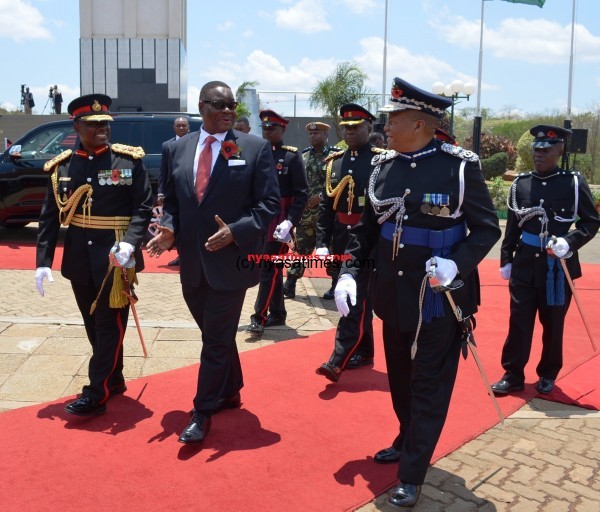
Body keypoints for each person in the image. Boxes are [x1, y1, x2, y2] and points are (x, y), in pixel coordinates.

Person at [335, 77, 501, 507]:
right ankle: (408, 437)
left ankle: (412, 470)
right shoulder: (383, 168)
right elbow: (367, 233)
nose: (386, 126)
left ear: (422, 124)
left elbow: (486, 229)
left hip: (440, 294)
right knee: (402, 379)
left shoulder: (460, 167)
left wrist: (457, 262)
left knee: (428, 381)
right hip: (393, 291)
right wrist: (350, 272)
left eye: (395, 119)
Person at [146, 81, 280, 444]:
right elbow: (172, 201)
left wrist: (237, 231)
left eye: (232, 106)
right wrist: (168, 229)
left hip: (231, 263)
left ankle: (202, 411)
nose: (228, 112)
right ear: (201, 106)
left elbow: (268, 204)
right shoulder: (176, 148)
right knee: (214, 335)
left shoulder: (254, 148)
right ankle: (231, 388)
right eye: (219, 105)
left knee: (215, 341)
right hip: (191, 263)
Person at [35, 94, 153, 416]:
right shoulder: (62, 167)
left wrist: (131, 242)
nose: (102, 129)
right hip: (78, 259)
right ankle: (113, 379)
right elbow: (49, 217)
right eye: (93, 124)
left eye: (105, 124)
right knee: (92, 324)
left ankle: (95, 393)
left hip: (116, 258)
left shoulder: (128, 162)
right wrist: (42, 263)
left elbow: (142, 207)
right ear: (77, 126)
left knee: (108, 325)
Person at [491, 125, 599, 396]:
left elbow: (591, 221)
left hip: (558, 268)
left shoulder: (573, 182)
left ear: (560, 150)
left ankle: (548, 373)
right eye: (536, 149)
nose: (540, 154)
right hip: (525, 264)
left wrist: (570, 242)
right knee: (519, 322)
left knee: (553, 324)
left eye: (547, 149)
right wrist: (506, 257)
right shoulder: (521, 183)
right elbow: (513, 225)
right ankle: (512, 373)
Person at [314, 104, 382, 381]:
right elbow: (326, 207)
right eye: (346, 127)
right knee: (358, 296)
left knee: (356, 295)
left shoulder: (381, 160)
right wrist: (322, 240)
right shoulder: (335, 161)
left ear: (369, 128)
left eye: (356, 127)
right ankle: (365, 351)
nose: (350, 132)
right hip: (343, 235)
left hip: (369, 239)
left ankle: (337, 359)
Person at [246, 110, 308, 337]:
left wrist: (291, 221)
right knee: (272, 270)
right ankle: (278, 313)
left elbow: (302, 193)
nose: (268, 131)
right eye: (265, 128)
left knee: (268, 269)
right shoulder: (258, 155)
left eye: (272, 128)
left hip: (280, 222)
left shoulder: (291, 156)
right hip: (261, 217)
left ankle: (258, 317)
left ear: (282, 130)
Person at [282, 121, 339, 299]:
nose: (312, 136)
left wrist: (321, 197)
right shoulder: (303, 156)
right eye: (311, 134)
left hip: (327, 215)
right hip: (306, 215)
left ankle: (335, 285)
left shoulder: (335, 156)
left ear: (325, 135)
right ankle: (290, 283)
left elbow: (338, 183)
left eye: (317, 133)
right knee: (301, 250)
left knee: (331, 249)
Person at [157, 116, 191, 266]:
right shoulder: (167, 145)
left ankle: (189, 255)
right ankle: (180, 255)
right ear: (174, 127)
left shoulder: (195, 143)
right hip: (172, 193)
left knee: (188, 224)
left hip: (189, 190)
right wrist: (160, 192)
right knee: (174, 224)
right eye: (179, 125)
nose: (182, 128)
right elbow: (163, 171)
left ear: (188, 127)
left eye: (184, 125)